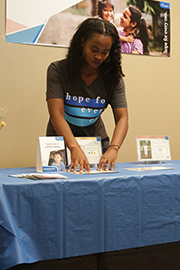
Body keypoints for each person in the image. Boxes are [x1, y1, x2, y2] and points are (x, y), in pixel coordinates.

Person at [46, 18, 128, 173]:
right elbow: (56, 114)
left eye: (105, 52)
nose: (99, 56)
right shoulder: (57, 70)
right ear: (82, 43)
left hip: (95, 146)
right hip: (61, 145)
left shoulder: (113, 78)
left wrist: (113, 148)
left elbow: (122, 118)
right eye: (94, 50)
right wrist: (73, 147)